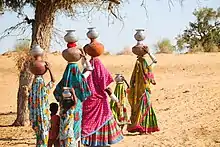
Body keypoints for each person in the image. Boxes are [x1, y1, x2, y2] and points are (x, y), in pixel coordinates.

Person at [53, 42, 93, 147]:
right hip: (77, 107)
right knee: (76, 127)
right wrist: (84, 58)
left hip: (64, 108)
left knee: (65, 128)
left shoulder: (63, 81)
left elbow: (56, 93)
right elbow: (90, 69)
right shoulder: (81, 78)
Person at [81, 57, 123, 147]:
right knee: (103, 119)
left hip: (87, 100)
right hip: (99, 102)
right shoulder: (97, 64)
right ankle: (102, 142)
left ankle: (91, 142)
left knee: (89, 123)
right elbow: (104, 83)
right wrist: (116, 100)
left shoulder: (86, 69)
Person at [127, 46, 159, 134]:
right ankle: (144, 128)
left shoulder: (138, 65)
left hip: (138, 92)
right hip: (145, 91)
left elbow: (132, 80)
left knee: (140, 108)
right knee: (146, 107)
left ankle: (142, 127)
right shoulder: (148, 68)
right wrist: (149, 53)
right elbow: (155, 61)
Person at [28, 45, 55, 147]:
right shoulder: (43, 89)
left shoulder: (33, 90)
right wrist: (50, 69)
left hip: (35, 117)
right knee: (43, 138)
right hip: (43, 116)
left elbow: (29, 103)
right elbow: (53, 81)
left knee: (39, 139)